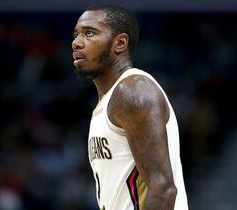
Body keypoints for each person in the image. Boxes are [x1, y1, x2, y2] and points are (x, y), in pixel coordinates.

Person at [71, 4, 188, 210]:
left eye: (89, 33)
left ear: (120, 43)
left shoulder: (133, 91)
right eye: (76, 34)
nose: (77, 43)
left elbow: (162, 189)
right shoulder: (110, 99)